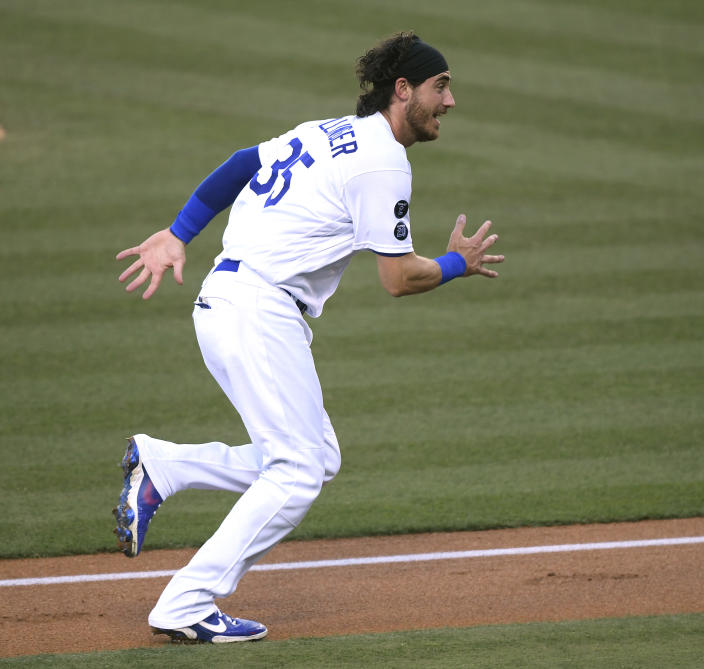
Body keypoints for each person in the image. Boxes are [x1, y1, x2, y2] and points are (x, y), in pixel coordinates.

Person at [112, 32, 503, 644]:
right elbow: (398, 280)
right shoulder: (384, 163)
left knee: (315, 459)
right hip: (257, 309)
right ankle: (186, 602)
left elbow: (244, 161)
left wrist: (181, 230)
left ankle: (167, 465)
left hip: (241, 302)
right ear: (404, 90)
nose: (450, 101)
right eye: (441, 86)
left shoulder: (326, 129)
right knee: (295, 472)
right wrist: (457, 264)